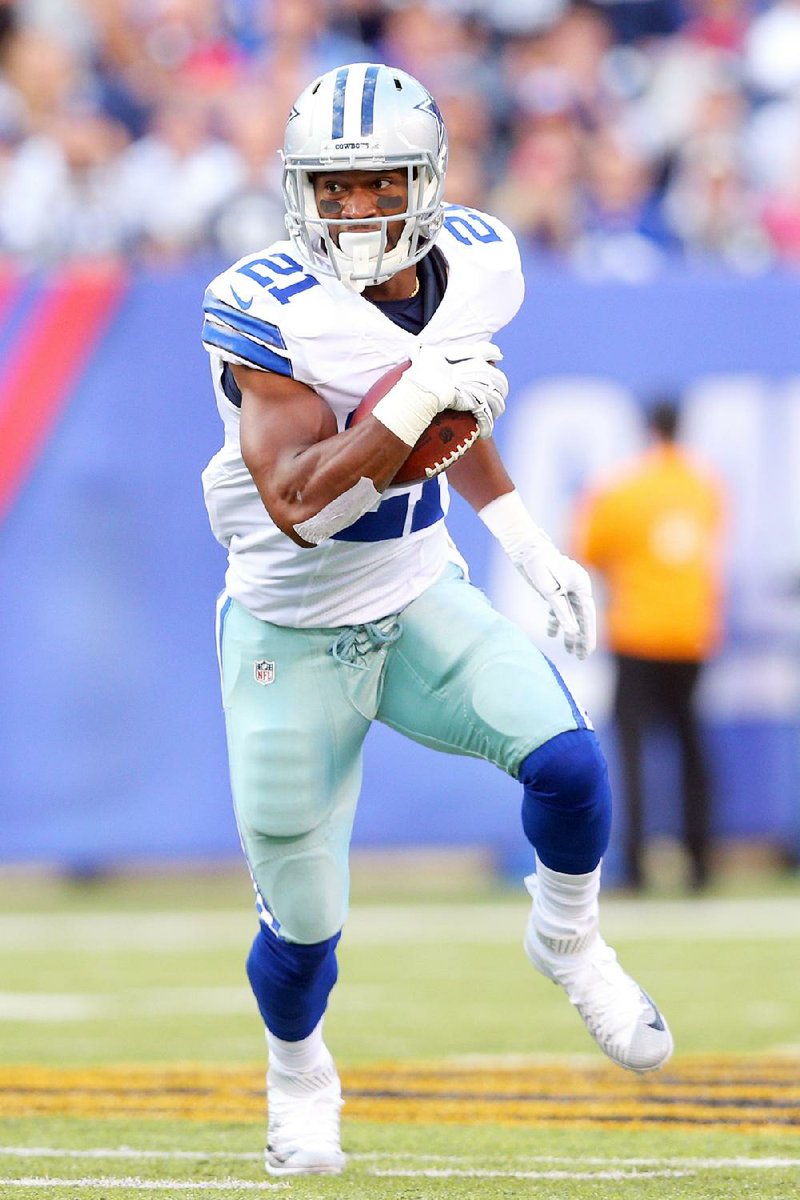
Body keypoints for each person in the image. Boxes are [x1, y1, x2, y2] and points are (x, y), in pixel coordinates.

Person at [200, 62, 673, 1178]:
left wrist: (519, 535)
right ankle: (299, 1072)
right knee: (304, 929)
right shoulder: (264, 307)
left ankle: (566, 938)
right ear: (295, 191)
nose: (354, 209)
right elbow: (303, 501)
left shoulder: (477, 265)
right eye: (332, 186)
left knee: (568, 767)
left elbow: (452, 408)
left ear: (423, 181)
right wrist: (415, 394)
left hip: (413, 592)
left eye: (376, 184)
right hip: (284, 632)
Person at [573, 398, 727, 891]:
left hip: (639, 632)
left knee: (635, 750)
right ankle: (700, 864)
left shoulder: (624, 489)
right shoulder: (703, 485)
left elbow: (590, 549)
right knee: (691, 745)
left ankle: (636, 866)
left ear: (646, 429)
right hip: (690, 634)